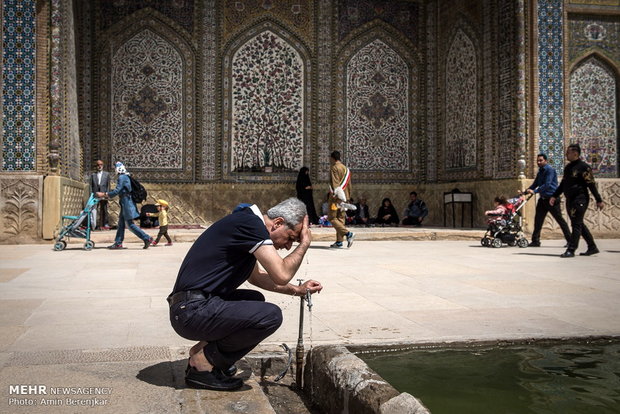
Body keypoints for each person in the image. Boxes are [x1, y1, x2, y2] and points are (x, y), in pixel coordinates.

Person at [168, 198, 322, 391]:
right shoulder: (250, 225)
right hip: (190, 311)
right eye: (291, 237)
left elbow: (257, 277)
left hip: (189, 308)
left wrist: (298, 290)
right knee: (270, 316)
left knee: (254, 300)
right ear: (278, 223)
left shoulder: (246, 223)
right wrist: (304, 244)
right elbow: (281, 274)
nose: (288, 246)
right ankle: (203, 364)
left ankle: (202, 352)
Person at [550, 144, 604, 258]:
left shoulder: (584, 167)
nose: (566, 155)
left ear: (575, 153)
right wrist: (554, 196)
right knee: (578, 223)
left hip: (580, 199)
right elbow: (563, 184)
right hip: (570, 199)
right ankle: (592, 247)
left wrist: (599, 200)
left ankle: (571, 249)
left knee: (576, 224)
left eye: (568, 152)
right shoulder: (568, 167)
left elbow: (591, 184)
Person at [95, 162, 153, 249]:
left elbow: (117, 191)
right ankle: (118, 243)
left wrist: (103, 194)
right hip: (125, 202)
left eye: (115, 168)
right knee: (121, 223)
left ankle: (147, 238)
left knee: (130, 224)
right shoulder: (125, 177)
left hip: (127, 203)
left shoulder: (122, 177)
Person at [524, 153, 571, 247]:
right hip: (543, 199)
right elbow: (535, 184)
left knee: (559, 219)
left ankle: (570, 241)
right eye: (537, 160)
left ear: (546, 161)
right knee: (538, 220)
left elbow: (547, 184)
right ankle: (535, 241)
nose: (538, 162)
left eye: (541, 160)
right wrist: (526, 192)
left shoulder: (550, 170)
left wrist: (535, 191)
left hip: (551, 198)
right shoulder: (540, 171)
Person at [328, 151, 355, 248]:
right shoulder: (346, 169)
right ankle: (339, 242)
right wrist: (347, 198)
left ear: (333, 158)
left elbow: (335, 184)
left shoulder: (334, 168)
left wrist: (338, 197)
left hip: (336, 199)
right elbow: (349, 185)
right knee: (340, 218)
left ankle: (348, 234)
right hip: (345, 198)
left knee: (332, 218)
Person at [89, 160, 111, 230]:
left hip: (103, 194)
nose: (99, 166)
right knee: (94, 210)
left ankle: (104, 224)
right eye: (98, 165)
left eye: (101, 164)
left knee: (104, 209)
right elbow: (91, 186)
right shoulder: (93, 175)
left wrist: (107, 194)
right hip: (95, 195)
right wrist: (91, 195)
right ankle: (95, 225)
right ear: (96, 166)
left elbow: (108, 185)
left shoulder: (106, 174)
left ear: (103, 165)